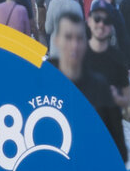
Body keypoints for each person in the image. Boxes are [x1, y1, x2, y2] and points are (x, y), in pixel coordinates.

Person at [50, 10, 124, 160]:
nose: (74, 45)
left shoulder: (99, 86)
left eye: (79, 39)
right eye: (68, 38)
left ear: (86, 42)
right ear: (57, 40)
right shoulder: (45, 83)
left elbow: (118, 149)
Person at [84, 4, 130, 160]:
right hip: (86, 136)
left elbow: (127, 102)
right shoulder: (79, 58)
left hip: (113, 138)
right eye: (97, 19)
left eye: (106, 21)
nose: (101, 24)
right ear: (89, 21)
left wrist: (116, 97)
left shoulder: (117, 58)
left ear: (111, 26)